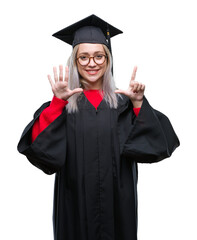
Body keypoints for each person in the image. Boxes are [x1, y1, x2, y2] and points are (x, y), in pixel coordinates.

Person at [17, 14, 180, 240]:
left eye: (98, 56)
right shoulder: (63, 106)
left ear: (108, 59)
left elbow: (158, 146)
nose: (91, 63)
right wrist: (57, 103)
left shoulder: (123, 105)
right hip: (74, 205)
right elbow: (41, 153)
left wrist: (138, 104)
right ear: (74, 61)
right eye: (83, 57)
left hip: (118, 208)